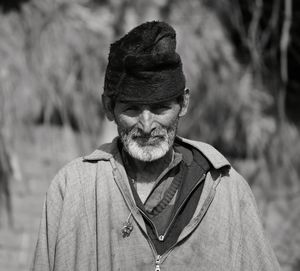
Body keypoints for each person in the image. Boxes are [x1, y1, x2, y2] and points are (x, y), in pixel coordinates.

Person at [32, 21, 281, 271]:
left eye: (161, 108)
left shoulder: (227, 191)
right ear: (109, 107)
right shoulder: (74, 189)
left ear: (183, 104)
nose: (147, 125)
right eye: (131, 109)